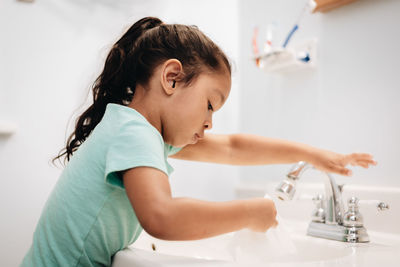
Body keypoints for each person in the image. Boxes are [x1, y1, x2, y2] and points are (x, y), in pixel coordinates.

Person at [21, 17, 376, 266]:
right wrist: (251, 212)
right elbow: (162, 217)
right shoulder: (134, 133)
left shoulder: (137, 129)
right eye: (210, 104)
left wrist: (310, 153)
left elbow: (231, 147)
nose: (209, 123)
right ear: (172, 78)